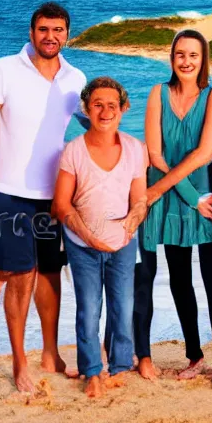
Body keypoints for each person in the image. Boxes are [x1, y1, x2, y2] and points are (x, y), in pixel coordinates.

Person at [0, 2, 87, 393]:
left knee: (51, 274)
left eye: (58, 30)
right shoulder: (3, 69)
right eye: (43, 29)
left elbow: (93, 125)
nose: (50, 36)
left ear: (67, 34)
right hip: (9, 194)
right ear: (31, 32)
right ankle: (20, 362)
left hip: (55, 197)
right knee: (21, 278)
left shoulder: (76, 79)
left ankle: (50, 354)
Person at [134, 29, 212, 387]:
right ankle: (194, 355)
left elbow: (204, 154)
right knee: (179, 279)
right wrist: (184, 194)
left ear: (203, 58)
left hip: (205, 193)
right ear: (172, 57)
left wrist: (185, 195)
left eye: (193, 54)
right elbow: (154, 154)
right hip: (176, 194)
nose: (186, 61)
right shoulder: (157, 94)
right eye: (180, 54)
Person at [53, 77, 147, 398]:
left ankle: (120, 367)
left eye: (112, 105)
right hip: (83, 246)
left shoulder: (136, 149)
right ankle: (92, 371)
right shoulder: (73, 151)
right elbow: (61, 205)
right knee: (89, 309)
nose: (105, 111)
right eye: (97, 105)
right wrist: (88, 237)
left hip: (122, 244)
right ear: (86, 108)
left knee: (123, 306)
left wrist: (134, 219)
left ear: (123, 109)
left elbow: (140, 200)